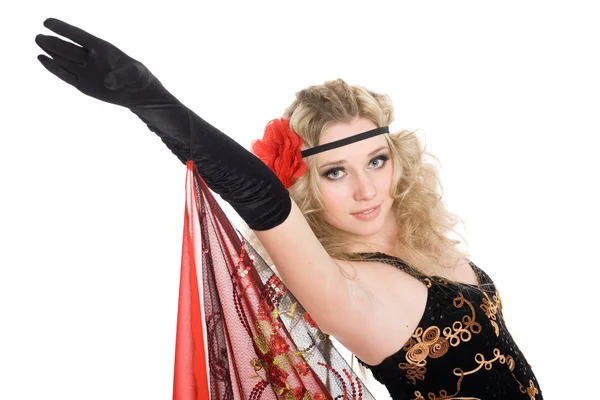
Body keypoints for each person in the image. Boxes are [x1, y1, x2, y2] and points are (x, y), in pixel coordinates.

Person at [35, 18, 543, 400]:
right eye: (335, 172)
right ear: (305, 186)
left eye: (377, 160)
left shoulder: (421, 243)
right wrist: (152, 101)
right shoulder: (345, 285)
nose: (366, 189)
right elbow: (259, 197)